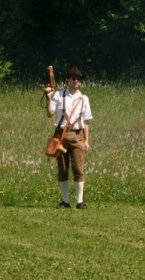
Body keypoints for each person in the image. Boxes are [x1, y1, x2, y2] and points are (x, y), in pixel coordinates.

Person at [45, 64, 93, 209]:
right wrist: (48, 97)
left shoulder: (84, 99)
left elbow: (86, 121)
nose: (76, 81)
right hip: (61, 135)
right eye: (73, 78)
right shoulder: (59, 95)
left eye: (78, 78)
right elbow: (50, 113)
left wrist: (86, 141)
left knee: (78, 169)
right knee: (63, 169)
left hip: (77, 136)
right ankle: (65, 201)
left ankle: (79, 201)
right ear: (68, 80)